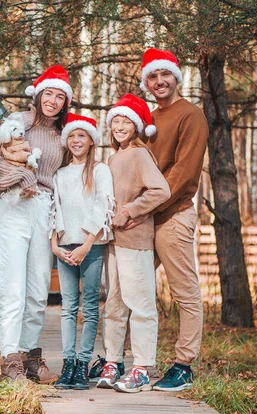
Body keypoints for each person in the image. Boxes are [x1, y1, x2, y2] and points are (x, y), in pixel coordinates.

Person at [0, 64, 72, 383]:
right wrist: (22, 176)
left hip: (43, 210)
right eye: (48, 93)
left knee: (37, 290)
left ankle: (30, 356)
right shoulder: (17, 122)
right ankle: (10, 361)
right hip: (12, 206)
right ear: (37, 95)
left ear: (65, 103)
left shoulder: (60, 135)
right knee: (12, 288)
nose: (53, 100)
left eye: (60, 96)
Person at [130, 48, 209, 391]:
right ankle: (132, 362)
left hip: (172, 215)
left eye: (165, 75)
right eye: (152, 77)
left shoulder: (191, 115)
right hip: (145, 216)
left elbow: (183, 172)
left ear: (176, 77)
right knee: (133, 289)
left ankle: (183, 365)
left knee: (184, 292)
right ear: (146, 82)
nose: (159, 82)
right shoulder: (148, 120)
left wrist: (145, 208)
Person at [97, 93, 170, 393]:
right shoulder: (114, 157)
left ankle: (141, 368)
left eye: (126, 120)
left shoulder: (140, 155)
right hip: (112, 242)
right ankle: (113, 361)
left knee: (140, 305)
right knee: (114, 304)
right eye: (116, 120)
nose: (120, 125)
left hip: (136, 240)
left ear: (137, 126)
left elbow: (160, 191)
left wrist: (130, 210)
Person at [50, 113, 114, 390]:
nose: (76, 140)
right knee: (68, 308)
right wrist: (54, 245)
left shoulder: (100, 170)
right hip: (64, 247)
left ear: (91, 141)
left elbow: (103, 205)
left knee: (89, 307)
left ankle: (82, 364)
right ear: (67, 142)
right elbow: (54, 209)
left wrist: (87, 244)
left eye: (82, 136)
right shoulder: (60, 174)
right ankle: (67, 363)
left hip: (92, 247)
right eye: (72, 136)